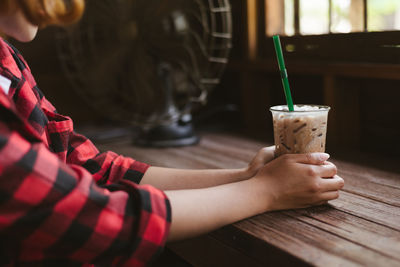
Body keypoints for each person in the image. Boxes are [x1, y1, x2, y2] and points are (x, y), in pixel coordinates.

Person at [0, 0, 344, 266]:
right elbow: (80, 214)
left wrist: (247, 177)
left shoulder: (9, 60)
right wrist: (265, 191)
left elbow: (91, 168)